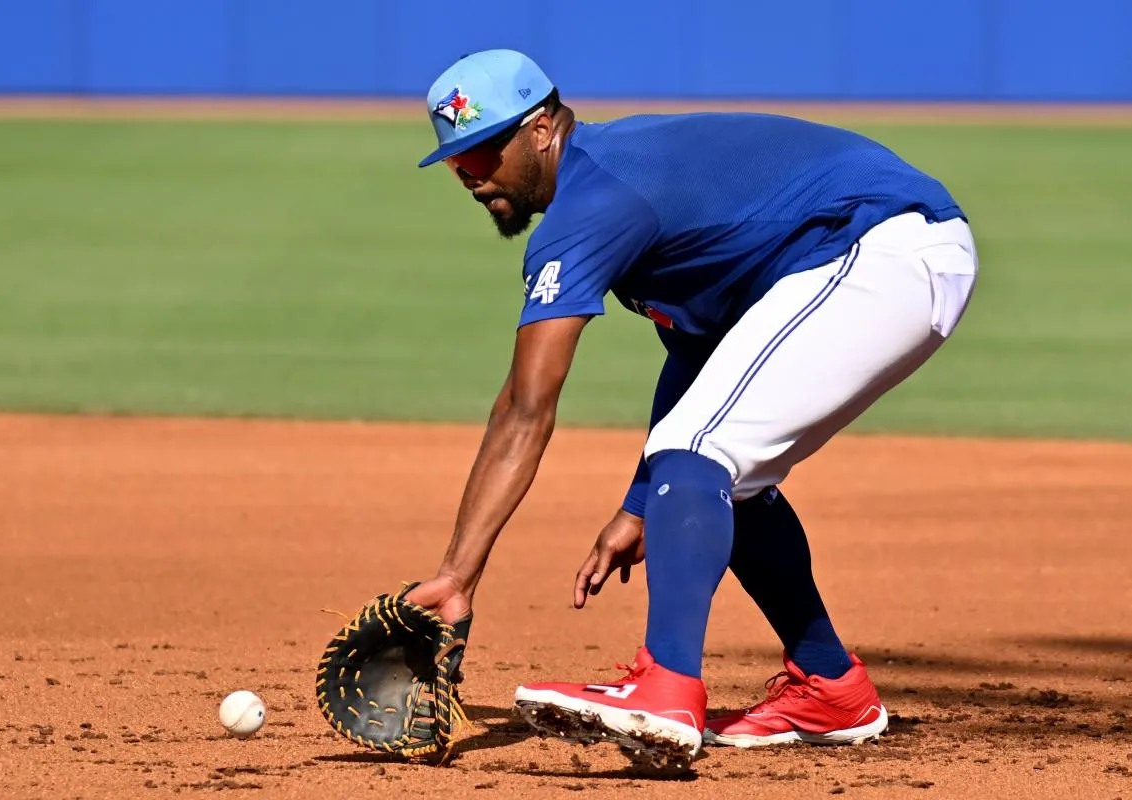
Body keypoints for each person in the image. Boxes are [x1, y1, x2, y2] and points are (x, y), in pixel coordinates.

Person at [404, 49, 978, 767]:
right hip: (872, 254)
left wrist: (457, 576)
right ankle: (829, 685)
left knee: (700, 455)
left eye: (483, 148)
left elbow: (524, 408)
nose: (470, 173)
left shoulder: (594, 202)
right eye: (455, 159)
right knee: (721, 470)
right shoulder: (613, 181)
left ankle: (665, 684)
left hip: (880, 247)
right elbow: (699, 352)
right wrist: (644, 499)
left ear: (543, 128)